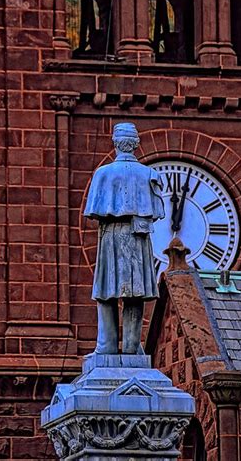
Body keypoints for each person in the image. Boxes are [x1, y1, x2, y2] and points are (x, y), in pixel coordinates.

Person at [84, 122, 165, 354]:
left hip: (111, 237)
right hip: (138, 238)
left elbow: (94, 210)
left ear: (115, 143)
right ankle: (131, 346)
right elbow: (158, 212)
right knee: (135, 294)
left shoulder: (103, 173)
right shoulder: (149, 175)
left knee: (106, 291)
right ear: (137, 145)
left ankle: (106, 345)